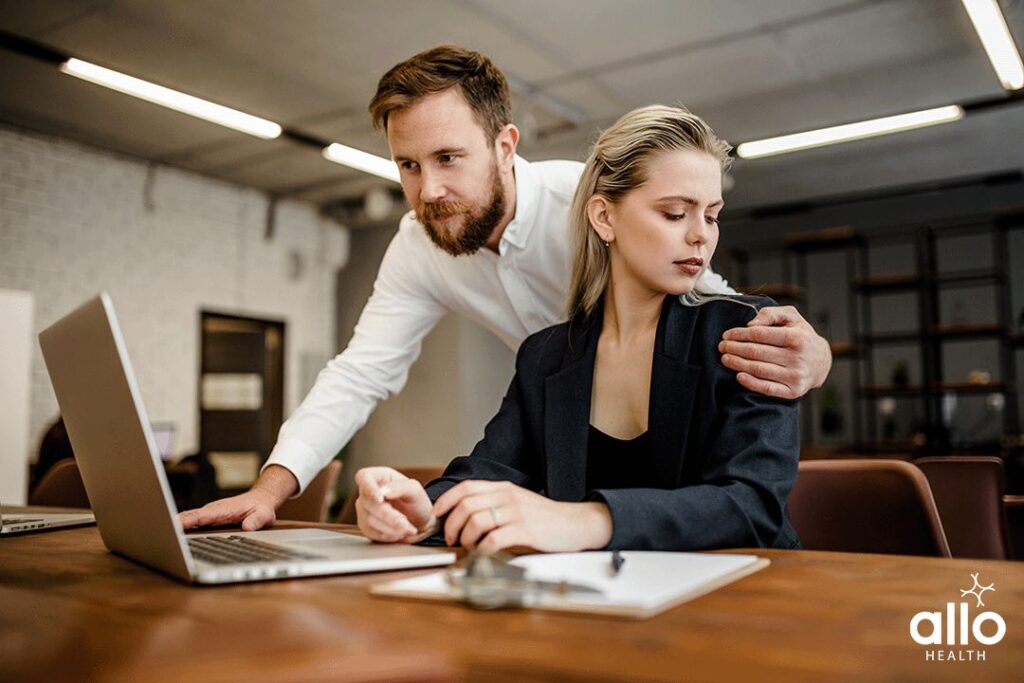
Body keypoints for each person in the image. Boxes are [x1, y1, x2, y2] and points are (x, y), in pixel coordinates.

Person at [179, 45, 828, 533]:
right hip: (572, 448)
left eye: (448, 158)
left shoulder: (590, 202)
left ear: (505, 145)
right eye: (408, 165)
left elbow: (700, 294)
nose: (427, 189)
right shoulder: (471, 291)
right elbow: (360, 375)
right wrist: (281, 488)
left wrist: (815, 354)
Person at [354, 104, 800, 552]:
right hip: (604, 606)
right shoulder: (545, 356)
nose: (701, 235)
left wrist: (588, 521)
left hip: (748, 601)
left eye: (711, 215)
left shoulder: (745, 333)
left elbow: (753, 505)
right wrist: (422, 512)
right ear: (604, 218)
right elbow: (488, 471)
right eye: (674, 213)